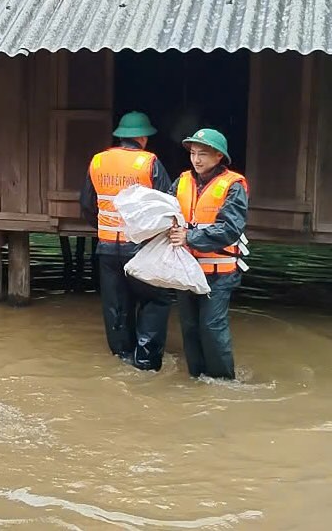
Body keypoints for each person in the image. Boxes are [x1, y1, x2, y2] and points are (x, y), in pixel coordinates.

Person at [79, 111, 173, 371]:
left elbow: (87, 204)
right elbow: (164, 205)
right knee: (156, 298)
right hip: (139, 246)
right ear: (142, 138)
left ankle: (121, 356)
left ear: (120, 137)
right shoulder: (149, 162)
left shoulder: (98, 161)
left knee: (116, 303)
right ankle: (146, 361)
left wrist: (104, 227)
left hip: (107, 247)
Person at [168, 129, 249, 380]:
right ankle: (197, 378)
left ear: (218, 157)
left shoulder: (234, 185)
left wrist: (189, 237)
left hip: (219, 272)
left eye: (203, 154)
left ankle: (224, 381)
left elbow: (231, 228)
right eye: (193, 153)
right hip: (187, 269)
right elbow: (166, 211)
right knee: (190, 327)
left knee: (212, 326)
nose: (196, 159)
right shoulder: (182, 181)